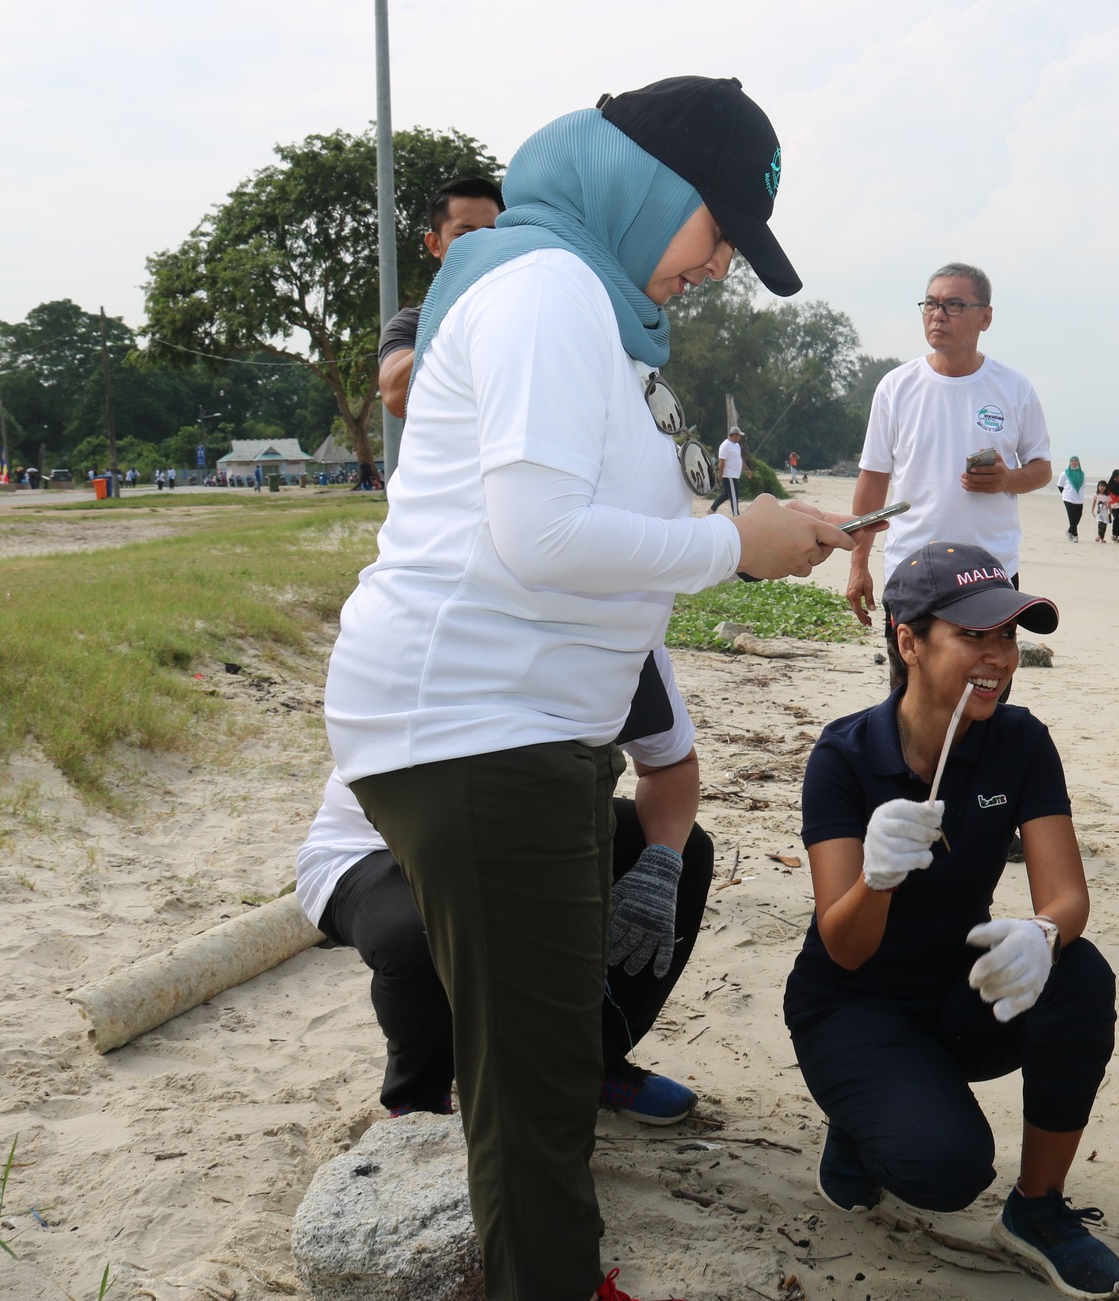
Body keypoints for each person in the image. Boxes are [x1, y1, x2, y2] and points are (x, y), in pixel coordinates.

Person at [324, 76, 858, 1301]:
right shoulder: (547, 289)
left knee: (548, 1047)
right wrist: (736, 548)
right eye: (718, 231)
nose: (718, 266)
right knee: (535, 1075)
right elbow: (538, 535)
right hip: (471, 721)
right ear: (651, 190)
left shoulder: (593, 311)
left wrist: (756, 526)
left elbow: (594, 521)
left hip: (535, 729)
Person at [787, 543, 1119, 1301]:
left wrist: (1042, 935)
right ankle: (860, 1115)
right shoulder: (844, 756)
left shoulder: (1020, 741)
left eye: (1007, 636)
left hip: (952, 988)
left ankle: (1036, 1209)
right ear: (908, 640)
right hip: (850, 1005)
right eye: (974, 636)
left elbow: (1066, 894)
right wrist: (877, 877)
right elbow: (844, 946)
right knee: (947, 1169)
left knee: (1081, 972)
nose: (998, 656)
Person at [298, 647, 714, 1124]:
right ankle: (420, 1101)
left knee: (679, 849)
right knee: (423, 930)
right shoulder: (454, 626)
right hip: (376, 846)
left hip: (528, 839)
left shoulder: (628, 633)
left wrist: (659, 869)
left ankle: (590, 1059)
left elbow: (670, 764)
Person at [844, 263, 1054, 631]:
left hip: (992, 572)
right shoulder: (896, 387)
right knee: (911, 687)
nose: (938, 315)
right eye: (930, 304)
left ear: (985, 317)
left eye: (953, 305)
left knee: (986, 683)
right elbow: (874, 478)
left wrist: (1006, 479)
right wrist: (858, 564)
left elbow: (1041, 468)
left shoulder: (1014, 388)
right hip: (911, 568)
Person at [377, 177, 505, 420]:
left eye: (491, 232)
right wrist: (456, 319)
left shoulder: (525, 309)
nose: (481, 243)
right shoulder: (410, 325)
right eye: (465, 233)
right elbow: (395, 397)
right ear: (435, 244)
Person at [717, 427, 745, 515]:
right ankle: (736, 514)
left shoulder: (736, 445)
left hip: (735, 474)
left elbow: (739, 458)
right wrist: (720, 476)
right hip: (729, 474)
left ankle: (712, 508)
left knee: (727, 494)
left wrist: (746, 468)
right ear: (734, 435)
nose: (740, 438)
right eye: (739, 436)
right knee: (734, 495)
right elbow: (721, 462)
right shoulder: (725, 445)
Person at [1058, 456, 1086, 541]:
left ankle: (1070, 531)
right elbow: (1060, 485)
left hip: (1079, 499)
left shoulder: (1082, 474)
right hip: (1068, 498)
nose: (1074, 463)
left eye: (1075, 461)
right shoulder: (1065, 473)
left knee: (1078, 516)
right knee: (1072, 517)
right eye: (1072, 461)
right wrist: (1065, 494)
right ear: (1069, 463)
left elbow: (1083, 486)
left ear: (1078, 462)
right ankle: (1075, 535)